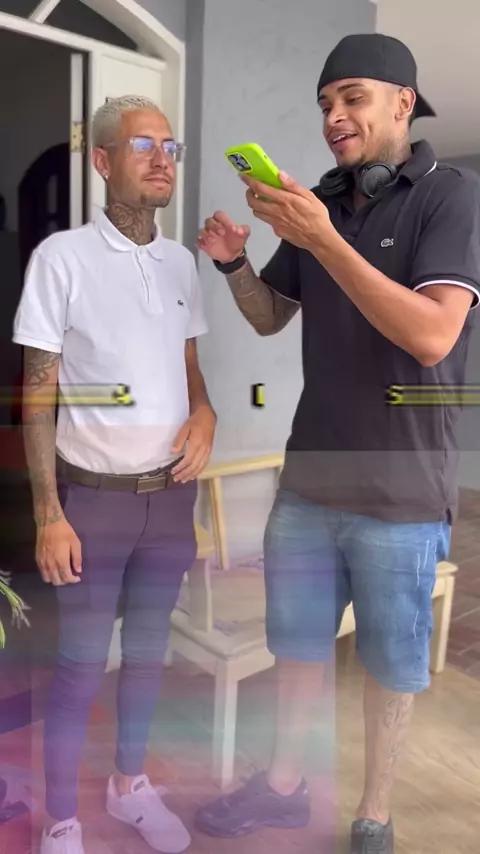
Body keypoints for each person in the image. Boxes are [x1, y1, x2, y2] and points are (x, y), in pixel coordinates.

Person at [193, 33, 480, 854]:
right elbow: (269, 317)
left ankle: (375, 813)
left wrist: (325, 239)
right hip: (308, 484)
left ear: (403, 102)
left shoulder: (451, 196)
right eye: (325, 103)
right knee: (297, 648)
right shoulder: (323, 202)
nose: (333, 116)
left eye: (352, 97)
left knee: (390, 666)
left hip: (401, 494)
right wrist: (234, 265)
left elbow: (431, 336)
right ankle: (284, 788)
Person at [13, 95, 216, 854]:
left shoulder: (182, 263)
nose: (163, 159)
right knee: (78, 667)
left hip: (170, 501)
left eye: (170, 146)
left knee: (148, 655)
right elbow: (37, 395)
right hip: (91, 505)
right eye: (143, 145)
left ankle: (129, 787)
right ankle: (61, 821)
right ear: (102, 161)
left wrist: (207, 413)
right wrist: (48, 513)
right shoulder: (60, 259)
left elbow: (189, 368)